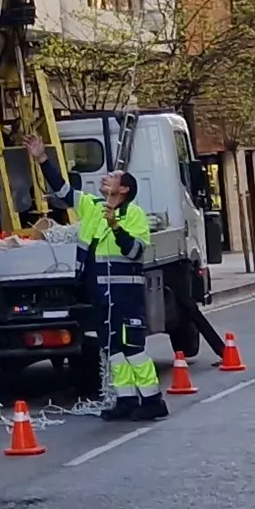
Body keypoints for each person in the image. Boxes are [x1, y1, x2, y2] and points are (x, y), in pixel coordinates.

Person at [74, 170, 164, 421]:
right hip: (101, 295)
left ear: (123, 189)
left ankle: (153, 400)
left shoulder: (134, 215)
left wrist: (115, 225)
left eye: (113, 176)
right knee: (112, 349)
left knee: (133, 347)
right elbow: (62, 191)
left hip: (125, 295)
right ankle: (126, 399)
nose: (105, 177)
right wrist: (42, 159)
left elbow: (134, 251)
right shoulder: (93, 207)